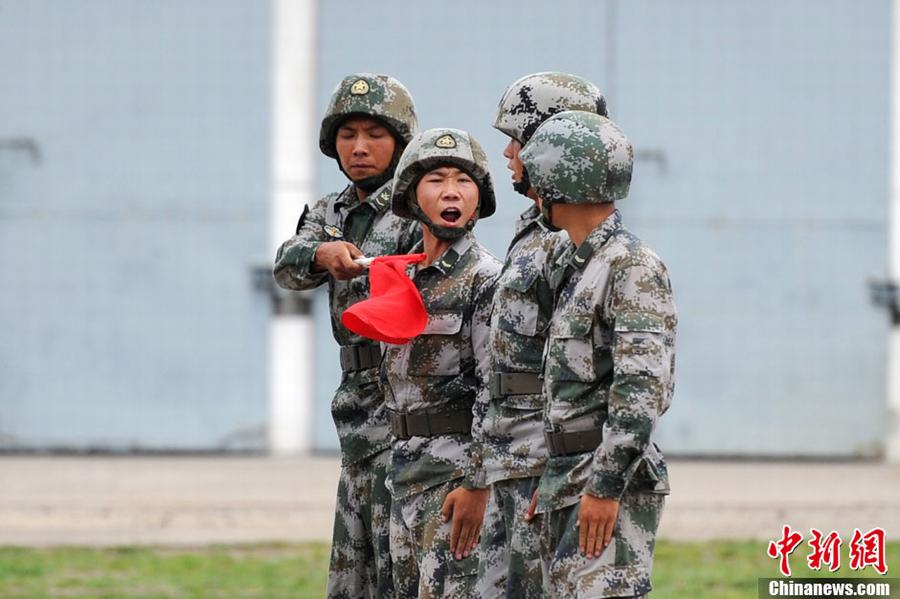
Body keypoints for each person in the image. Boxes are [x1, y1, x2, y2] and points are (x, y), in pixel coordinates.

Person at [273, 73, 420, 598]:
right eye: (347, 134)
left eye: (375, 134)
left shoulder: (419, 206)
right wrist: (320, 253)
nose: (359, 147)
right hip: (356, 405)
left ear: (401, 141)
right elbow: (287, 267)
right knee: (352, 570)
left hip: (410, 397)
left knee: (402, 564)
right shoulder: (329, 212)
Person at [519, 110, 676, 598]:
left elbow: (641, 390)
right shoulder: (576, 262)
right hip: (567, 476)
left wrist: (605, 486)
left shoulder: (630, 265)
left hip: (605, 480)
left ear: (556, 181)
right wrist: (550, 480)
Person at [478, 72, 609, 598]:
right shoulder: (533, 226)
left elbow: (585, 369)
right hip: (508, 457)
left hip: (544, 462)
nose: (508, 152)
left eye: (519, 138)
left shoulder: (576, 239)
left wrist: (560, 472)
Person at [381, 127, 502, 597]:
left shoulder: (487, 280)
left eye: (463, 181)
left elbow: (499, 391)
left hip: (455, 485)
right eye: (435, 180)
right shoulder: (404, 278)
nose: (450, 191)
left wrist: (478, 484)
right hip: (405, 477)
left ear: (478, 199)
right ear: (412, 196)